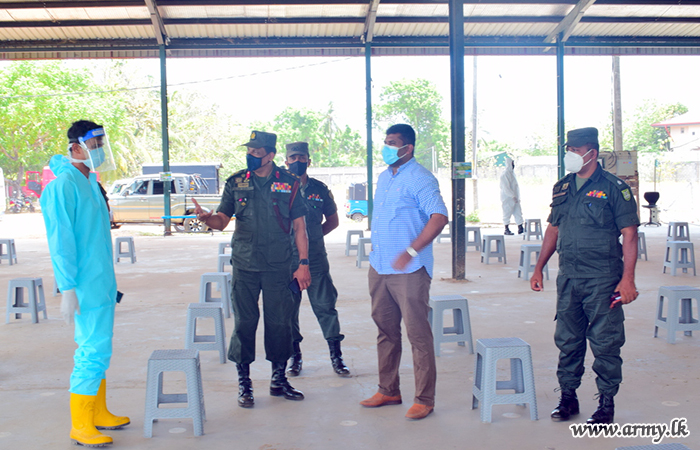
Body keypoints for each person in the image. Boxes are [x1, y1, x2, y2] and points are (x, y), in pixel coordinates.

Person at [193, 130, 311, 409]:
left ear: (270, 155)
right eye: (249, 151)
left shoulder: (289, 183)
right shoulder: (236, 182)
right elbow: (222, 220)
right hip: (245, 265)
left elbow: (299, 227)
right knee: (244, 323)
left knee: (279, 323)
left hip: (278, 265)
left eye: (257, 152)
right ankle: (244, 383)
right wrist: (208, 218)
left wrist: (303, 264)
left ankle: (278, 379)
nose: (251, 156)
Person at [530, 127, 639, 425]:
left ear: (592, 152)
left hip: (603, 278)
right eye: (568, 150)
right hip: (569, 277)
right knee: (568, 340)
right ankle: (568, 398)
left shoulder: (615, 188)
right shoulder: (562, 186)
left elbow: (630, 234)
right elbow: (554, 228)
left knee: (606, 342)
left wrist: (628, 279)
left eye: (575, 151)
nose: (571, 155)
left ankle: (606, 404)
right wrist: (539, 267)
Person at [41, 120, 129, 447]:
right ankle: (81, 425)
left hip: (101, 281)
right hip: (83, 284)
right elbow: (61, 242)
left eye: (101, 145)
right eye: (94, 146)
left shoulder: (89, 182)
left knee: (101, 348)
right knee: (90, 350)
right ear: (76, 148)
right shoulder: (63, 186)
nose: (99, 151)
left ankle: (98, 412)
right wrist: (67, 289)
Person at [360, 124, 449, 421]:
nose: (386, 148)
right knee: (385, 332)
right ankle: (388, 390)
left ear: (407, 148)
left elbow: (439, 217)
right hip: (380, 266)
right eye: (385, 142)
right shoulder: (385, 177)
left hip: (409, 270)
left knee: (417, 334)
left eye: (392, 143)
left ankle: (424, 399)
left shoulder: (420, 178)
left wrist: (411, 251)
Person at [284, 142, 350, 378]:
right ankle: (295, 357)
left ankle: (336, 357)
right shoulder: (278, 188)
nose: (297, 161)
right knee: (288, 310)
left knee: (325, 307)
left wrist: (311, 238)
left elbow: (333, 220)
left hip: (315, 260)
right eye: (293, 158)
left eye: (301, 157)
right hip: (286, 260)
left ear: (309, 161)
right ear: (286, 162)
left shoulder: (319, 189)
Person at [500, 156, 524, 235]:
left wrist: (516, 196)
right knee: (507, 213)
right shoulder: (505, 174)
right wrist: (512, 196)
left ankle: (520, 227)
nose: (513, 165)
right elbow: (506, 188)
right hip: (507, 198)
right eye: (512, 164)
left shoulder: (512, 174)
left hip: (515, 197)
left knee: (518, 212)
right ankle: (506, 229)